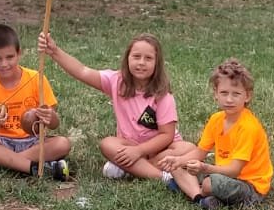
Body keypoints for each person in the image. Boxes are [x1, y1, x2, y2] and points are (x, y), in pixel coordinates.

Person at [36, 31, 178, 181]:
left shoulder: (163, 95)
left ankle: (132, 168)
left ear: (157, 63)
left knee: (187, 149)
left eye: (148, 58)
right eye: (136, 56)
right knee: (107, 144)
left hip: (160, 149)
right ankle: (162, 177)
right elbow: (82, 71)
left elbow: (167, 135)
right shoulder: (116, 81)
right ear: (127, 58)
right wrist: (55, 51)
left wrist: (139, 151)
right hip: (128, 146)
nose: (141, 62)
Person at [158, 59, 274, 210]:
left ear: (247, 96)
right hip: (222, 175)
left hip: (249, 186)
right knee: (178, 167)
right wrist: (178, 160)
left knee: (210, 183)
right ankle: (201, 198)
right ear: (216, 94)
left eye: (236, 94)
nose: (229, 99)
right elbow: (200, 152)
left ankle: (193, 190)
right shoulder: (216, 120)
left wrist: (205, 168)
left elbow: (234, 170)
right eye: (224, 93)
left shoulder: (248, 127)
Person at [0, 24, 73, 180]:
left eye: (10, 57)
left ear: (19, 53)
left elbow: (54, 124)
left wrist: (50, 117)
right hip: (0, 142)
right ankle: (35, 168)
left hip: (33, 142)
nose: (4, 64)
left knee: (63, 143)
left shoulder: (36, 79)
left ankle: (0, 162)